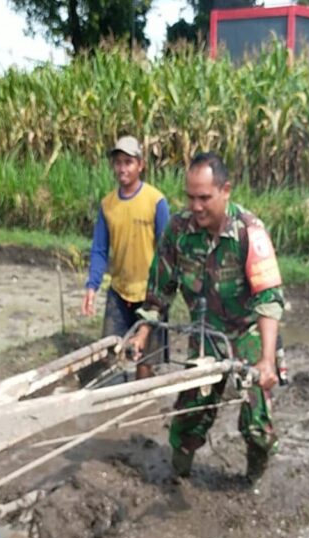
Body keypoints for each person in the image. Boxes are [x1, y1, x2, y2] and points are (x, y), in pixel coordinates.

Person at [128, 152, 284, 488]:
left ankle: (253, 479)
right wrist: (141, 336)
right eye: (190, 197)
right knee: (189, 419)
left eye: (204, 198)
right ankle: (178, 476)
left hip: (247, 336)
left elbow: (269, 300)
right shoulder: (179, 231)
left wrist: (266, 362)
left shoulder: (249, 232)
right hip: (206, 338)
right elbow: (159, 291)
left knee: (258, 426)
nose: (195, 206)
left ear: (225, 190)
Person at [81, 136, 170, 379]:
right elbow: (100, 249)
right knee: (112, 355)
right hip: (119, 291)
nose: (122, 168)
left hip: (149, 294)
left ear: (140, 165)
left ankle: (142, 407)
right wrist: (92, 286)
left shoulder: (155, 201)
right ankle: (115, 402)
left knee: (145, 361)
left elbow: (167, 252)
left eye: (128, 162)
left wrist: (163, 293)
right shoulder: (108, 204)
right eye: (118, 162)